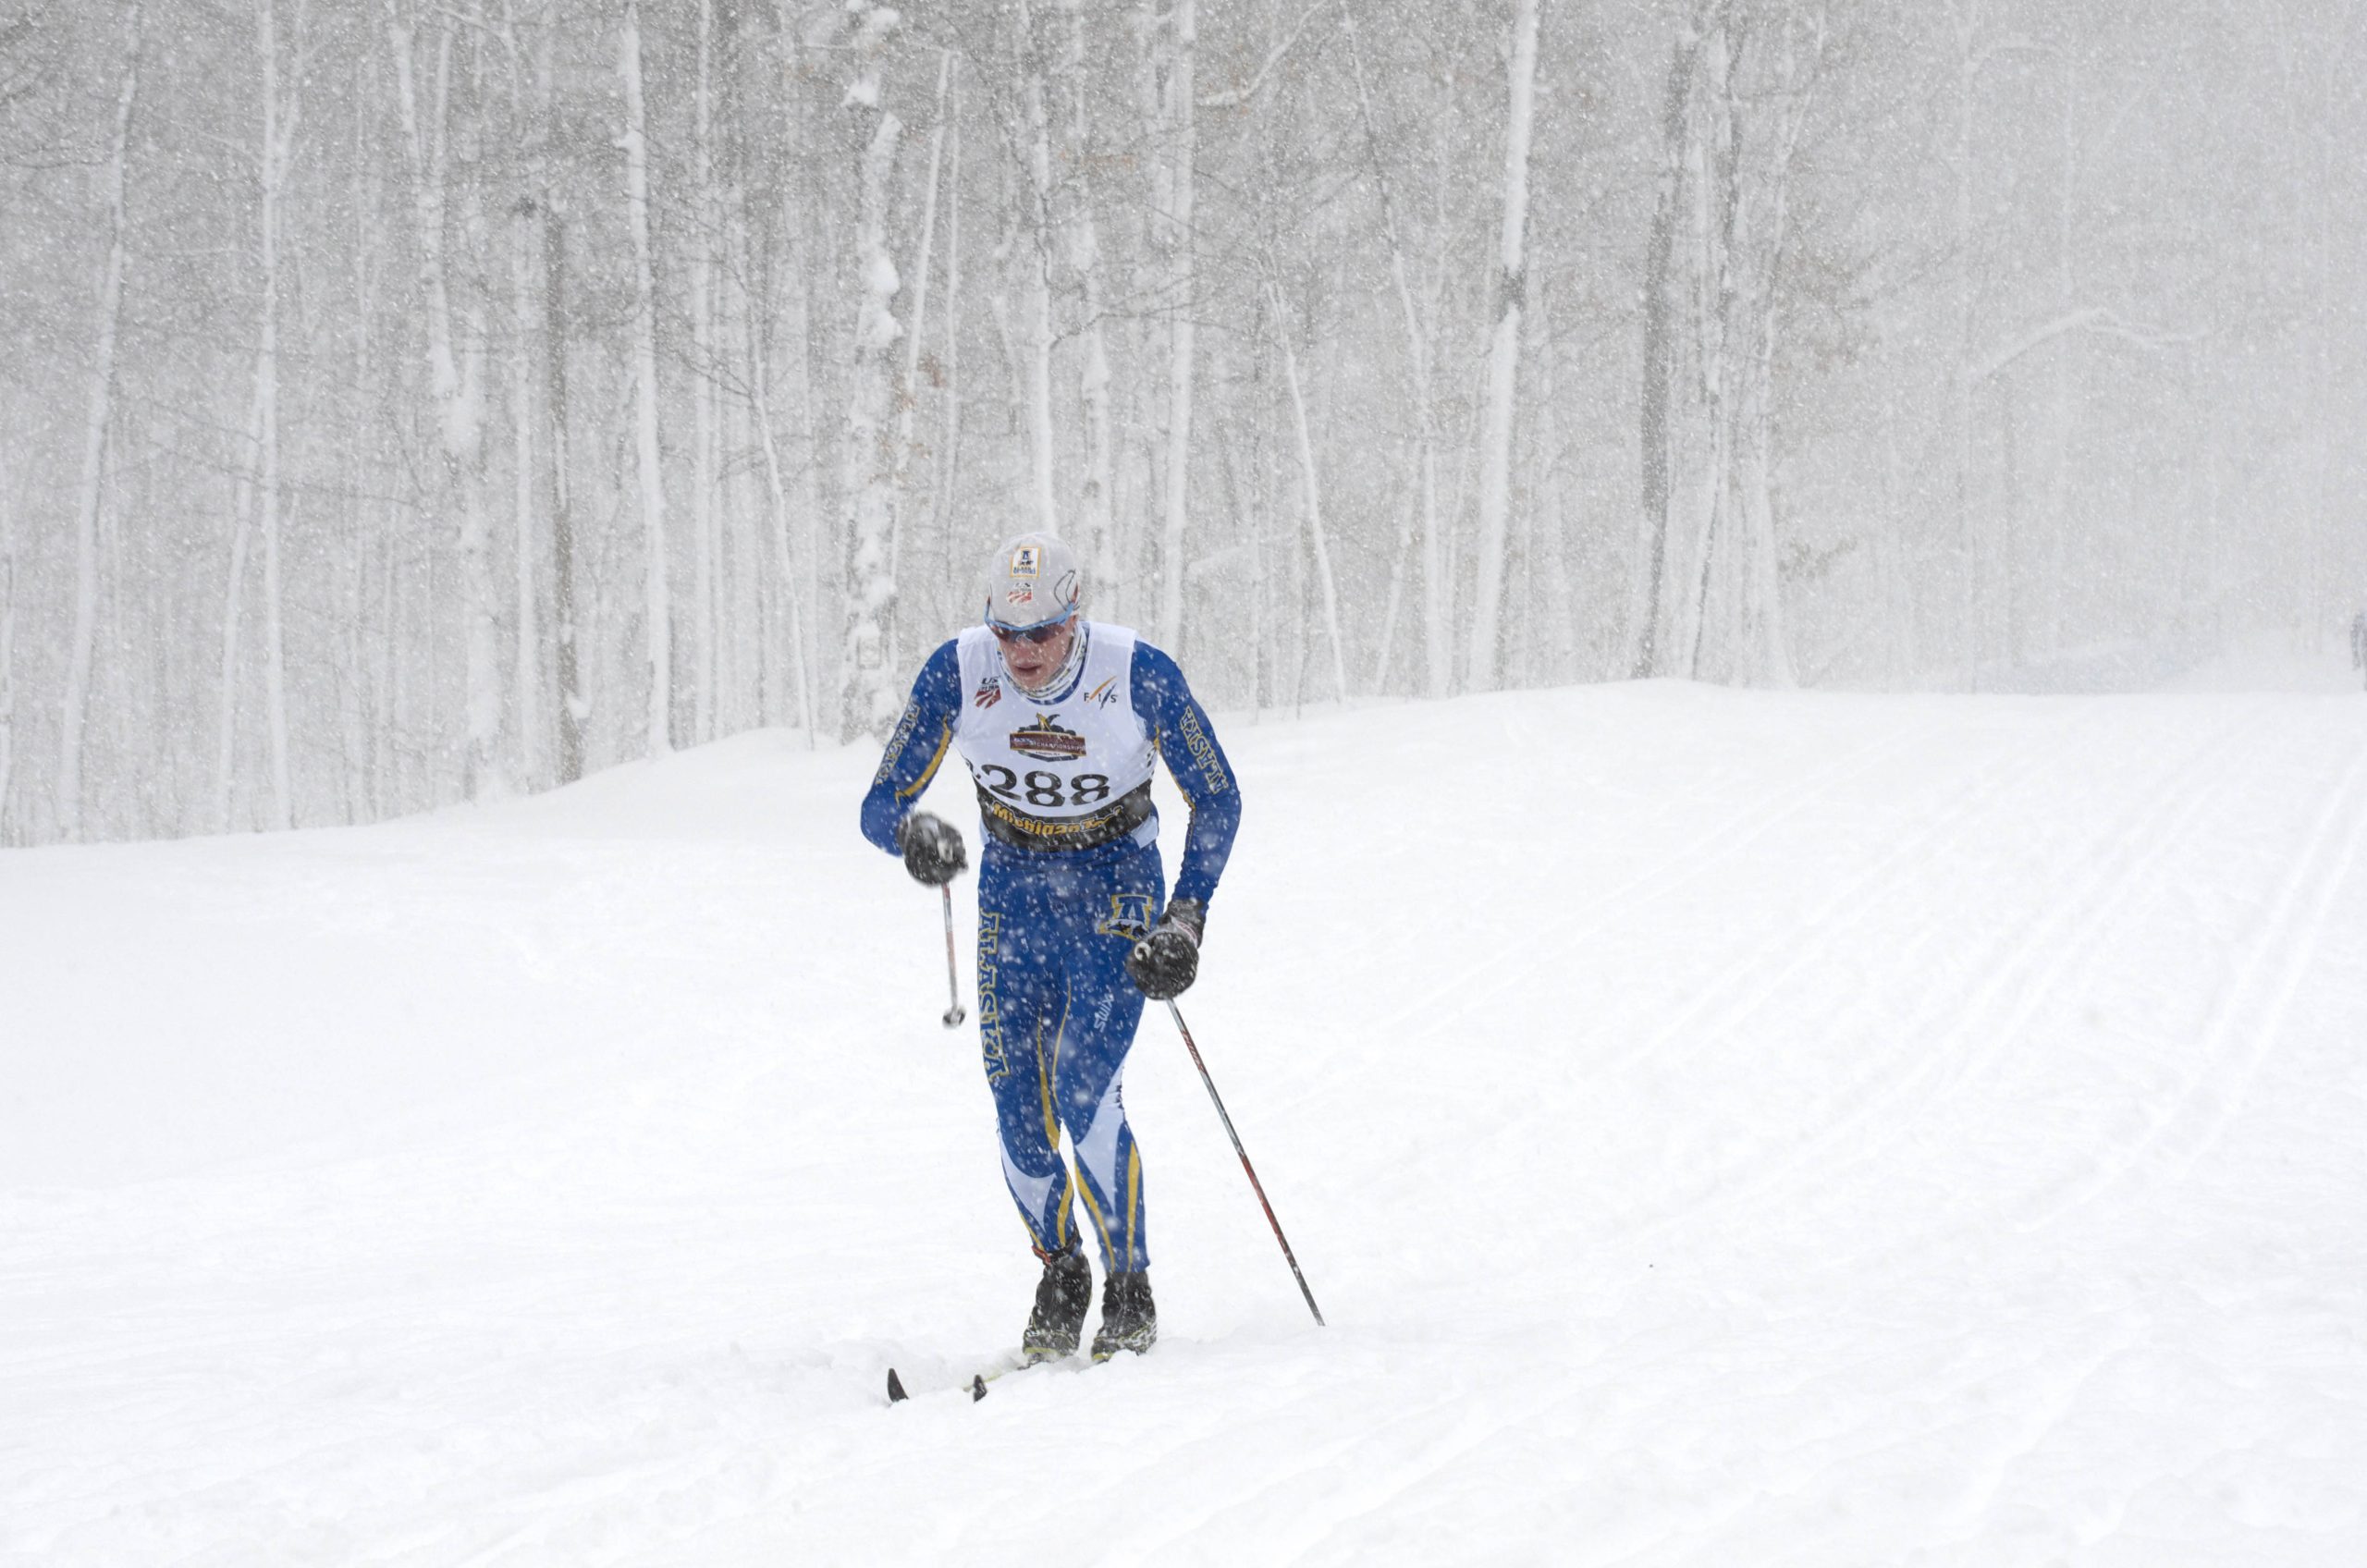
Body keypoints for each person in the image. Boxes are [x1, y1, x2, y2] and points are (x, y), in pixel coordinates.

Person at [860, 533, 1241, 1363]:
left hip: (1114, 885)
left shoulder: (1137, 672)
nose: (1023, 652)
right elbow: (879, 800)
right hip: (1015, 892)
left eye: (1041, 633)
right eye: (1007, 633)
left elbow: (1218, 797)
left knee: (1082, 1086)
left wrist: (1185, 918)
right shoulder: (959, 671)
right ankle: (1061, 1273)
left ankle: (1129, 1286)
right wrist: (910, 834)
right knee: (1017, 1109)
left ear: (1075, 618)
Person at [2352, 609, 2367, 689]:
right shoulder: (2363, 614)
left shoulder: (2363, 614)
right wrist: (2355, 655)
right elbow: (2354, 632)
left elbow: (2354, 632)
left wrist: (2355, 655)